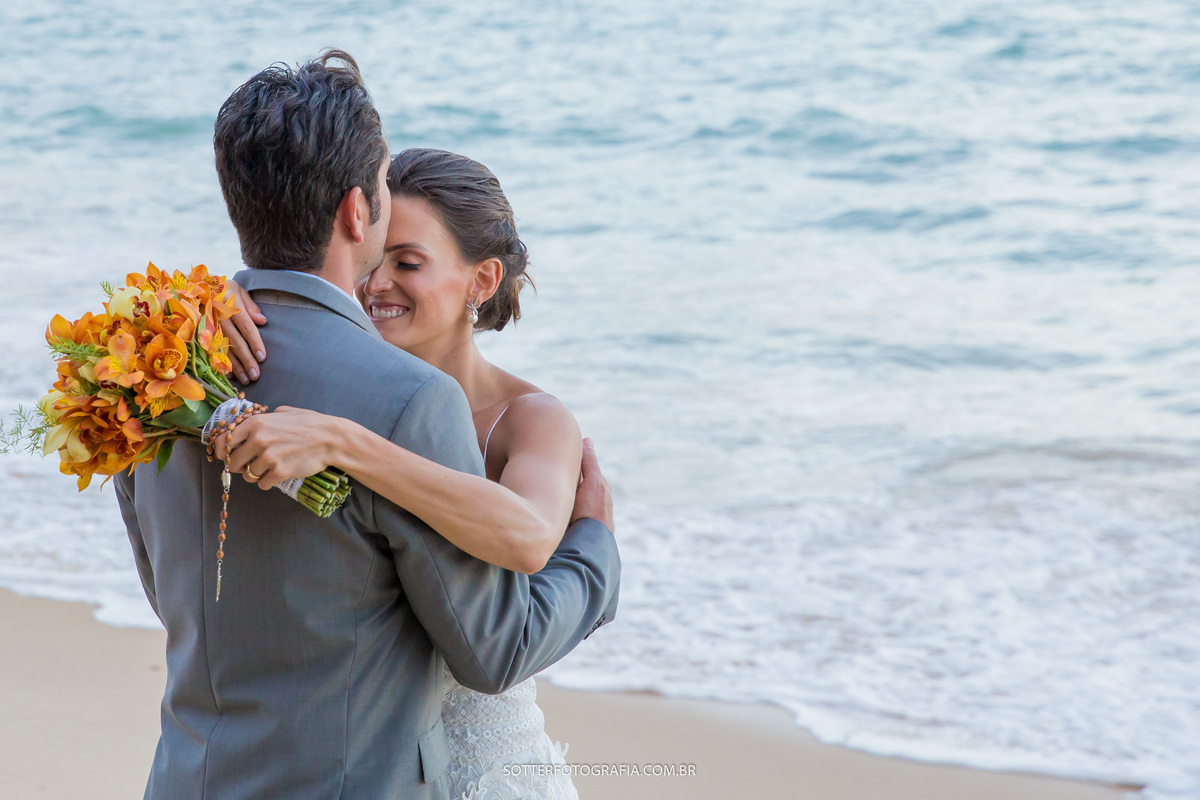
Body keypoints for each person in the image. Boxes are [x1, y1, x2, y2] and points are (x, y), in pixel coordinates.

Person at [114, 50, 620, 800]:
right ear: (358, 212)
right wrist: (595, 556)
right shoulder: (407, 402)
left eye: (411, 263)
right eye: (383, 191)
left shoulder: (148, 366)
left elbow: (175, 595)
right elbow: (495, 643)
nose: (383, 278)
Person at [214, 147, 609, 800]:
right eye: (374, 258)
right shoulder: (342, 385)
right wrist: (208, 294)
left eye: (409, 263)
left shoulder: (529, 418)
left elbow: (530, 535)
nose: (376, 284)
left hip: (491, 774)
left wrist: (346, 444)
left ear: (481, 281)